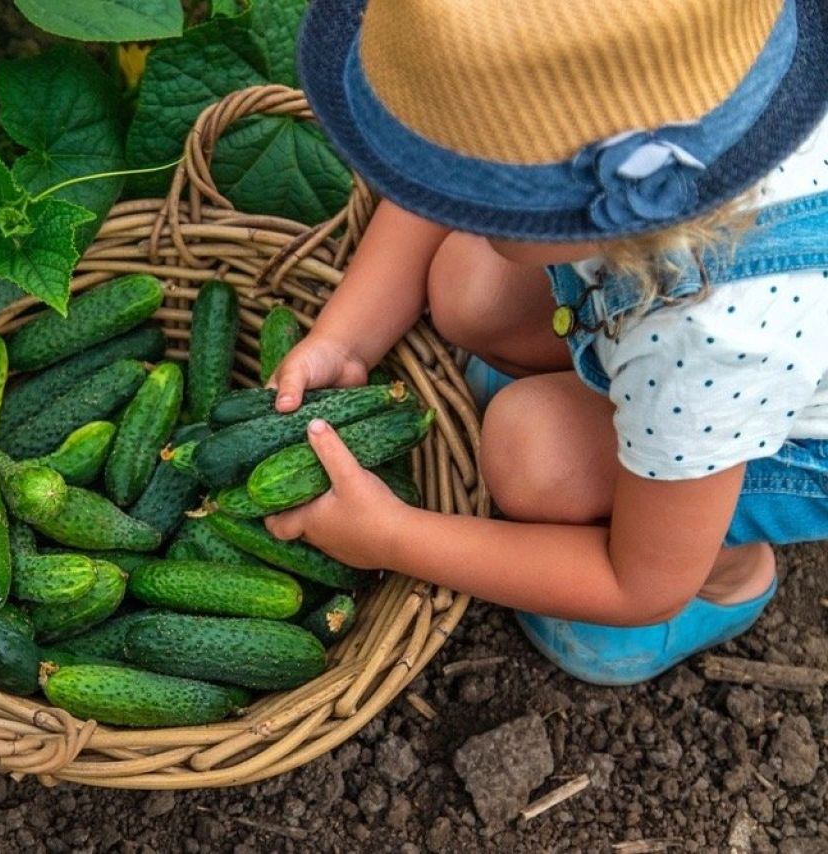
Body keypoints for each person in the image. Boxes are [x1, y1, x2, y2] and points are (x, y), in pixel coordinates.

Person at [266, 0, 828, 684]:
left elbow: (638, 585)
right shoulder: (712, 95)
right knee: (471, 282)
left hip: (784, 431)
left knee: (533, 453)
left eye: (475, 192)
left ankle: (730, 580)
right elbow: (444, 184)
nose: (444, 201)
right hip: (677, 323)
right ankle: (605, 400)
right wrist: (345, 340)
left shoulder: (713, 335)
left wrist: (391, 535)